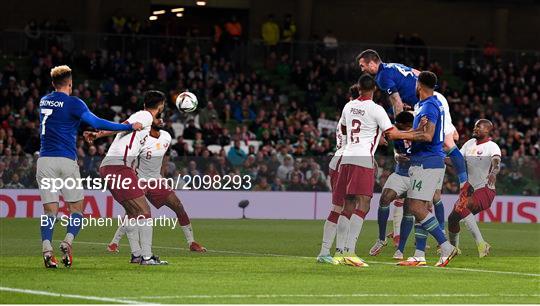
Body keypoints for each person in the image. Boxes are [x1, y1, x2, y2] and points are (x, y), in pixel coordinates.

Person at [37, 65, 140, 268]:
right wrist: (128, 126)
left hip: (45, 161)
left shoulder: (43, 100)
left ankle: (47, 248)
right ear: (70, 83)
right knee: (76, 210)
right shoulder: (74, 103)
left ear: (52, 83)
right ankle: (67, 241)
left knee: (50, 211)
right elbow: (96, 122)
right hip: (66, 161)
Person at [357, 49, 470, 231]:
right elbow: (417, 73)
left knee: (447, 143)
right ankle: (463, 182)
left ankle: (465, 184)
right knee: (449, 140)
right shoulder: (392, 66)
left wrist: (397, 125)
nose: (362, 69)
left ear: (372, 63)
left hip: (429, 102)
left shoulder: (382, 76)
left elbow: (396, 102)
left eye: (363, 65)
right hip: (426, 100)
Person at [90, 119, 207, 256]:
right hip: (138, 179)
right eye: (157, 118)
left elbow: (164, 159)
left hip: (156, 181)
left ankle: (191, 242)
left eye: (162, 117)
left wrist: (162, 177)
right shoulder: (141, 137)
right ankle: (114, 243)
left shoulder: (166, 137)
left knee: (178, 206)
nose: (161, 120)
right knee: (132, 212)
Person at [385, 71, 459, 267]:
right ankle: (419, 254)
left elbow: (427, 136)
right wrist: (404, 133)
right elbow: (421, 132)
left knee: (415, 207)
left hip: (426, 162)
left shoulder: (428, 107)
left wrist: (399, 135)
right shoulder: (428, 105)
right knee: (421, 208)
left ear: (418, 85)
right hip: (427, 162)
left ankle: (446, 246)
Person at [97, 90, 167, 265]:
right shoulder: (145, 116)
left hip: (109, 167)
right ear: (161, 106)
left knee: (134, 213)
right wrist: (99, 134)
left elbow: (124, 128)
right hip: (118, 166)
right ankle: (147, 257)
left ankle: (137, 255)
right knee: (145, 211)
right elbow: (125, 124)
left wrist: (98, 135)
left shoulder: (143, 122)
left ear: (145, 104)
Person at [333, 75, 394, 267]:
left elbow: (343, 129)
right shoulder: (377, 109)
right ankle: (351, 251)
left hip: (347, 157)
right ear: (374, 89)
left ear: (358, 88)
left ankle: (339, 252)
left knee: (347, 204)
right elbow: (390, 132)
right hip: (362, 158)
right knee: (364, 203)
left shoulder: (348, 106)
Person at [316, 84, 358, 265]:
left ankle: (334, 252)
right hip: (347, 160)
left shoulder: (347, 110)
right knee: (343, 208)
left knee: (344, 208)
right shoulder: (357, 111)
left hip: (341, 159)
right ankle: (332, 251)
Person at [448, 119, 500, 258]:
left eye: (479, 127)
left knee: (461, 206)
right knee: (452, 219)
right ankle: (453, 249)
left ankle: (481, 244)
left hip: (485, 189)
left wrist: (493, 173)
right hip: (468, 190)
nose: (475, 128)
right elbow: (456, 160)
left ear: (487, 131)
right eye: (475, 126)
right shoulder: (469, 143)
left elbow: (496, 162)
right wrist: (437, 157)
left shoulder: (492, 146)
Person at [368, 111, 413, 258]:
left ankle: (400, 249)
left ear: (409, 125)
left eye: (400, 126)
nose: (396, 128)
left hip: (417, 176)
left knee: (408, 211)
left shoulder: (421, 132)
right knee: (384, 199)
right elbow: (392, 142)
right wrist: (395, 154)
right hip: (400, 173)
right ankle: (381, 239)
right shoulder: (396, 129)